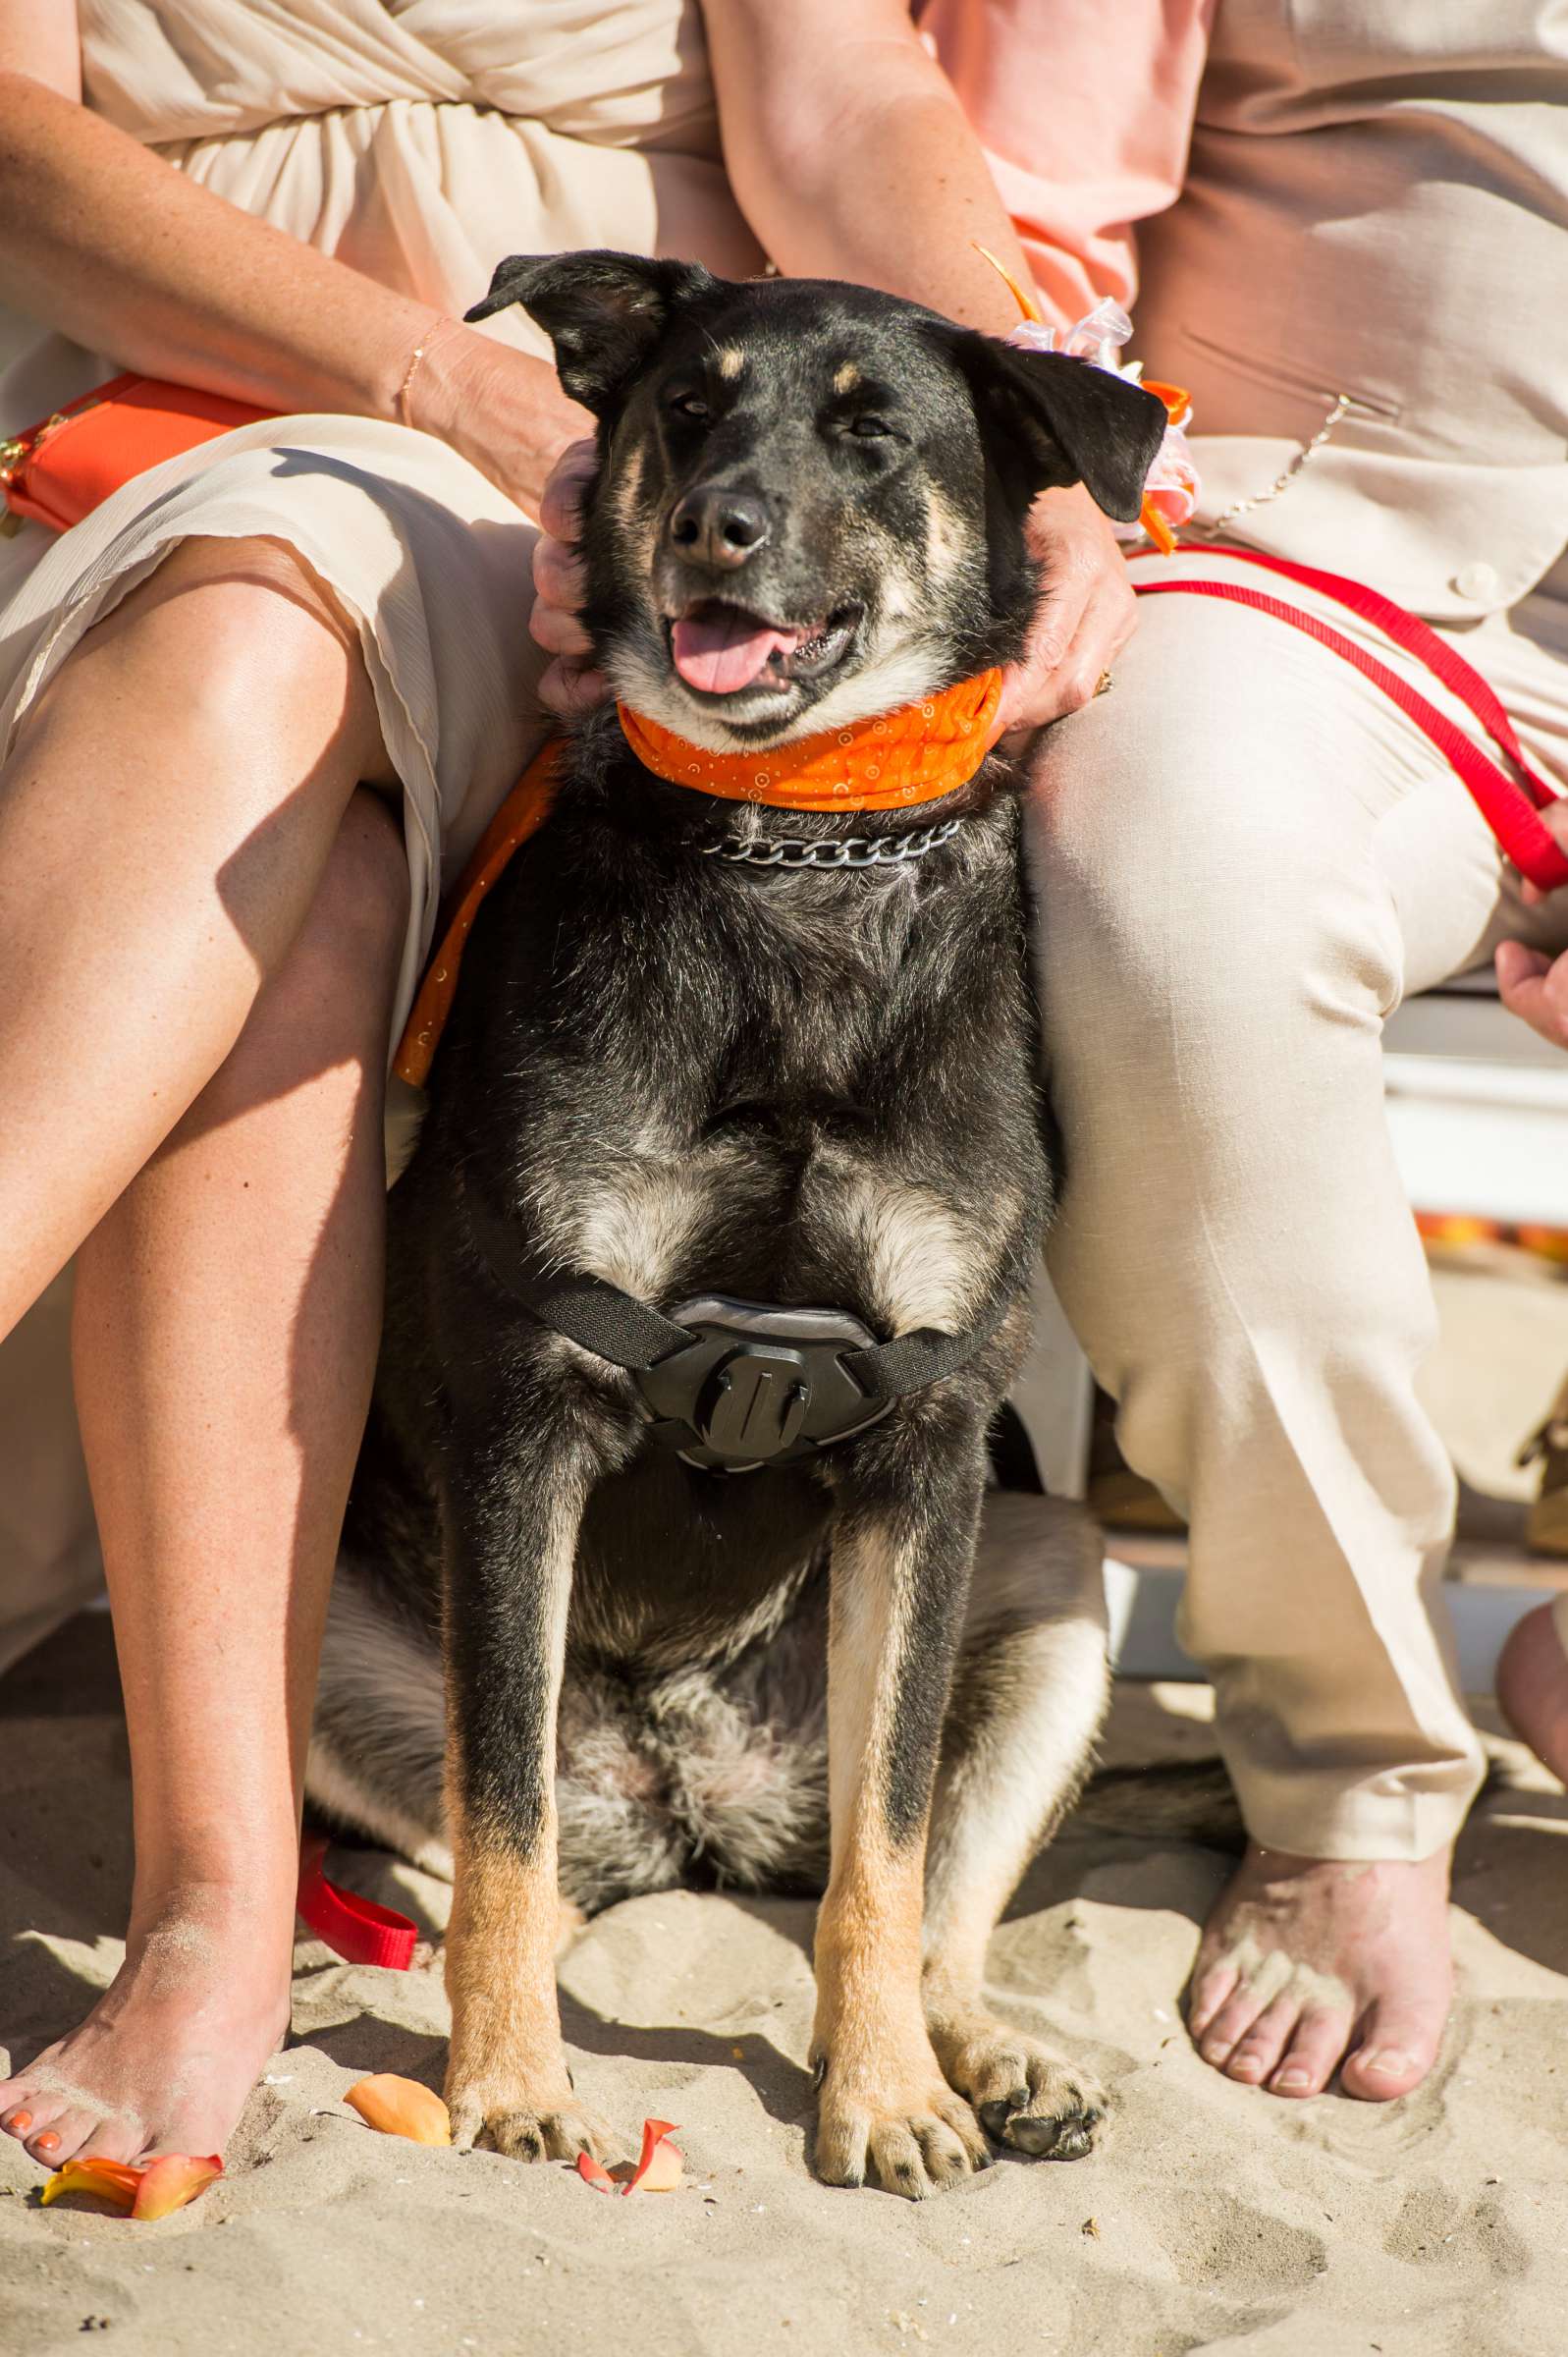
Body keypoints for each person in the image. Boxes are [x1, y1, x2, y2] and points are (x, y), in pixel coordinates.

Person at [0, 2, 1134, 2171]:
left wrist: (1000, 445)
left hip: (671, 485)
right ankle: (225, 1900)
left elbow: (847, 96)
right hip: (241, 417)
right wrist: (482, 397)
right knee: (261, 680)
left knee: (318, 872)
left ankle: (886, 1968)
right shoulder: (584, 431)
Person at [536, 0, 1568, 2109]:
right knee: (1166, 866)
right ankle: (1355, 1768)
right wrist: (1075, 487)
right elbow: (1022, 198)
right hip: (1331, 547)